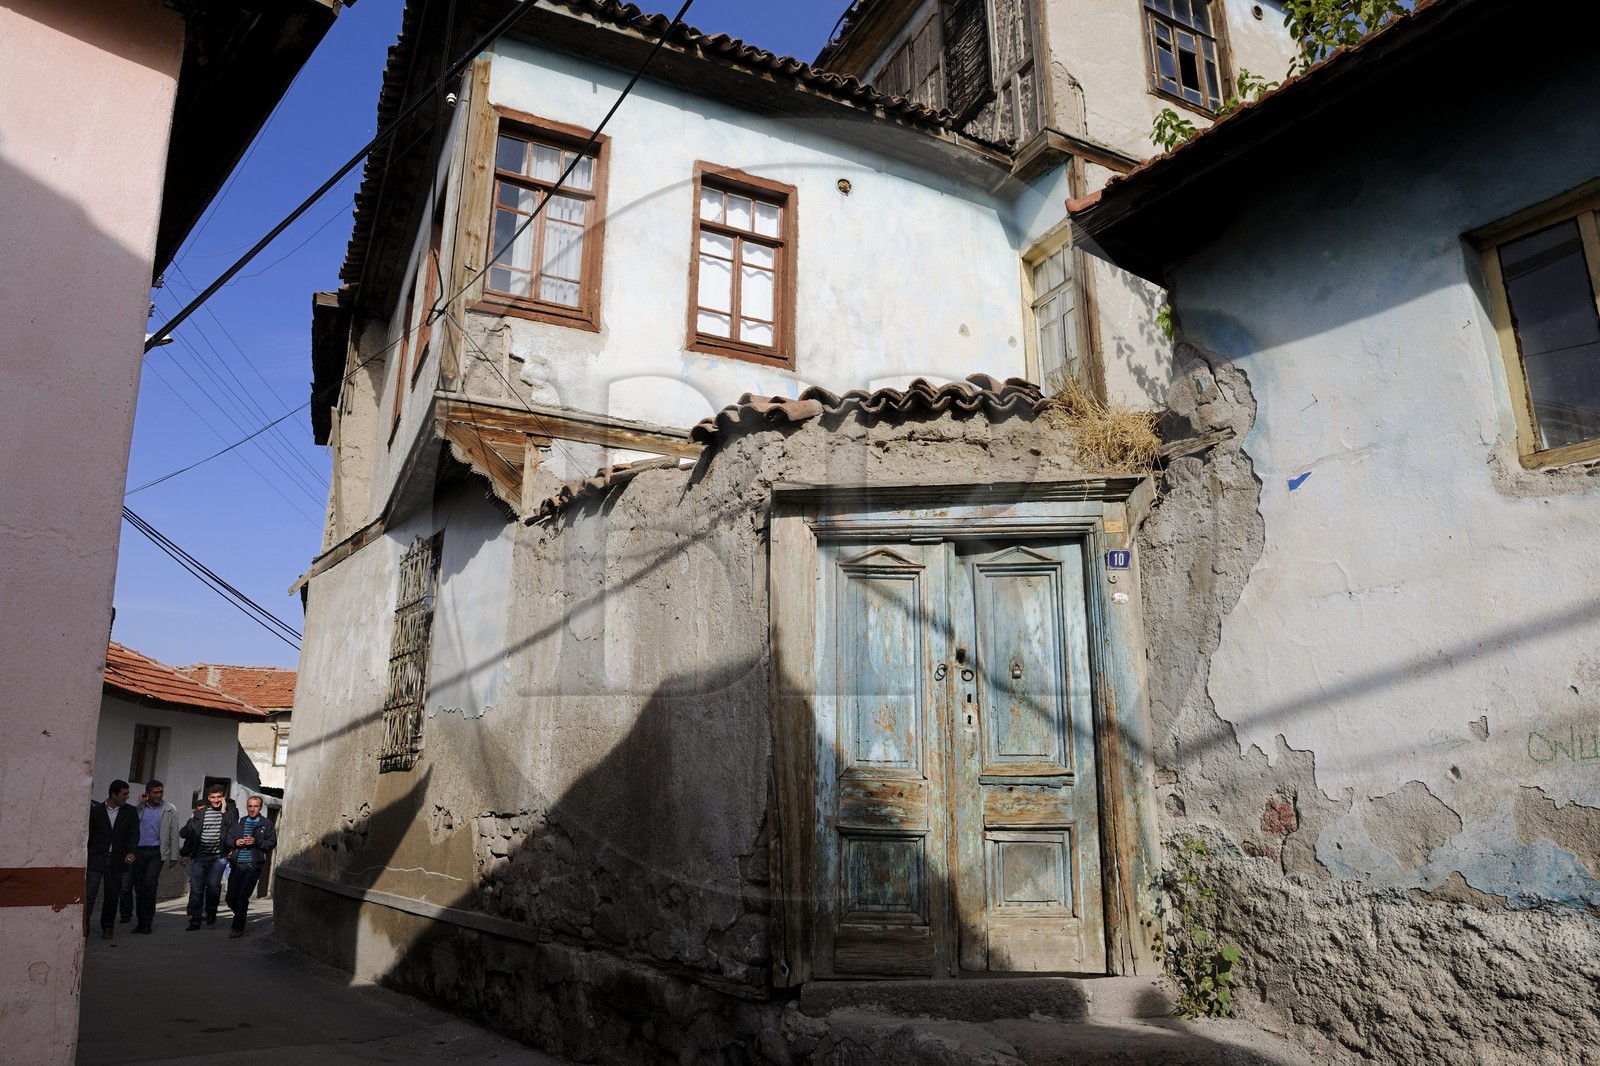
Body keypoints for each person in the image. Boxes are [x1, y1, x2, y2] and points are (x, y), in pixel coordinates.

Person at [119, 781, 178, 933]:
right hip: (138, 852)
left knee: (150, 884)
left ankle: (147, 922)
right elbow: (127, 819)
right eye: (155, 792)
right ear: (147, 793)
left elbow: (173, 833)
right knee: (139, 888)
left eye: (161, 792)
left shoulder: (169, 809)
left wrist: (174, 856)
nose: (159, 795)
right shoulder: (139, 808)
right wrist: (139, 803)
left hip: (156, 853)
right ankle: (140, 922)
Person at [179, 784, 236, 930]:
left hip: (218, 857)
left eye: (219, 797)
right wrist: (185, 853)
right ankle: (195, 920)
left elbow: (232, 828)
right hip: (200, 856)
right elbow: (186, 834)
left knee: (213, 887)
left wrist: (224, 811)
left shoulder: (231, 812)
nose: (216, 800)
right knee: (197, 889)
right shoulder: (200, 813)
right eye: (213, 797)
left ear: (224, 797)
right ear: (208, 798)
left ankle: (211, 912)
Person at [86, 780, 138, 939]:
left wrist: (131, 852)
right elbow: (89, 834)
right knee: (89, 894)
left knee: (112, 895)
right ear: (114, 795)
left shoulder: (130, 812)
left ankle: (108, 926)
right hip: (96, 858)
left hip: (117, 859)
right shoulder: (96, 811)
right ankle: (84, 926)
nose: (127, 797)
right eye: (124, 794)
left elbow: (134, 834)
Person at [224, 795, 276, 938]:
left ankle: (237, 928)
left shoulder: (266, 824)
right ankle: (240, 914)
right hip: (237, 864)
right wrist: (236, 842)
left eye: (255, 806)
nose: (252, 809)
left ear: (260, 807)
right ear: (247, 807)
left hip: (253, 866)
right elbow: (228, 839)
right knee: (230, 898)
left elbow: (272, 843)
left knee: (242, 897)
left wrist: (256, 841)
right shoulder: (240, 823)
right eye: (250, 806)